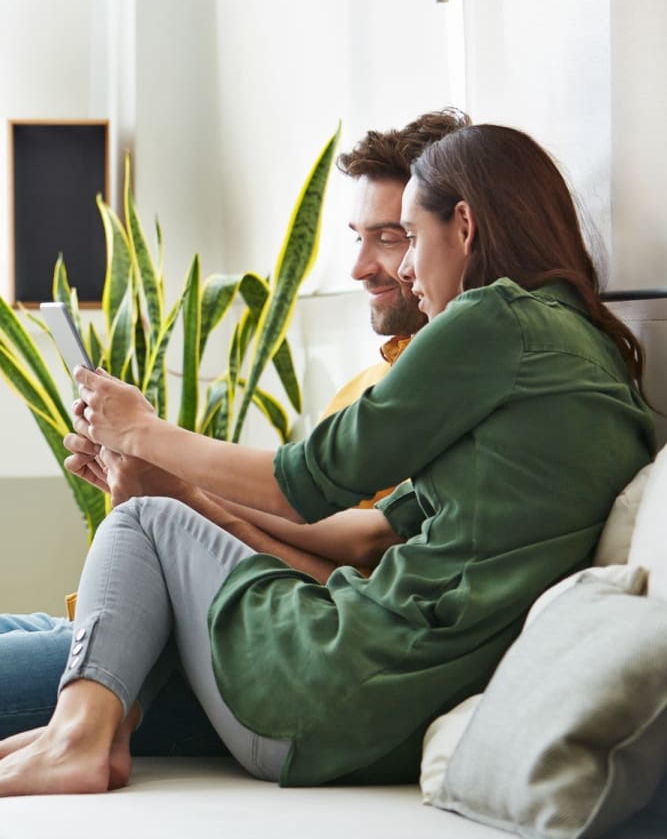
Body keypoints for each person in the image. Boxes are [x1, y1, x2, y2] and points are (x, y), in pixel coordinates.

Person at [0, 123, 655, 796]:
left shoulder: (496, 320)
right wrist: (175, 484)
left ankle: (77, 740)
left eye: (405, 237)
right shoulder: (582, 355)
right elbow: (365, 533)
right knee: (150, 515)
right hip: (388, 710)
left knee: (141, 524)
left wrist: (141, 431)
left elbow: (306, 484)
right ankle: (82, 732)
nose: (398, 269)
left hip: (344, 686)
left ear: (463, 225)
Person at [0, 108, 471, 752]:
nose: (361, 266)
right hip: (182, 623)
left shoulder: (443, 410)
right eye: (357, 236)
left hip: (244, 654)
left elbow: (332, 595)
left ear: (455, 233)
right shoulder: (361, 392)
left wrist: (175, 490)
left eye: (391, 236)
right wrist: (145, 486)